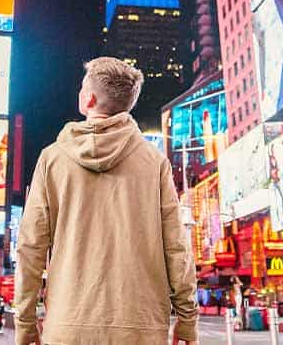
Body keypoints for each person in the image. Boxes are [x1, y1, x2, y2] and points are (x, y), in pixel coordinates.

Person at [15, 57, 199, 345]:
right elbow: (177, 247)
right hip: (141, 330)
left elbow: (30, 247)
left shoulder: (52, 159)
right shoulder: (154, 162)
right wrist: (187, 321)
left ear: (88, 99)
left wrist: (25, 324)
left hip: (67, 328)